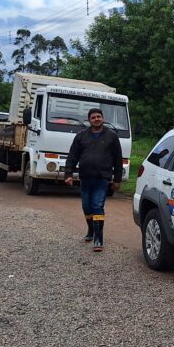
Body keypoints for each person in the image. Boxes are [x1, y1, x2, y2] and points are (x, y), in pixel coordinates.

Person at [64, 108, 123, 252]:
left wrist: (117, 179)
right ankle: (90, 231)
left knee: (97, 206)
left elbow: (117, 159)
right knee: (86, 207)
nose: (96, 119)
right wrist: (68, 174)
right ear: (89, 120)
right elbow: (73, 156)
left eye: (99, 116)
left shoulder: (112, 136)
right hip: (85, 177)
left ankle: (98, 239)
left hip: (102, 178)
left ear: (102, 118)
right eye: (93, 117)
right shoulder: (81, 136)